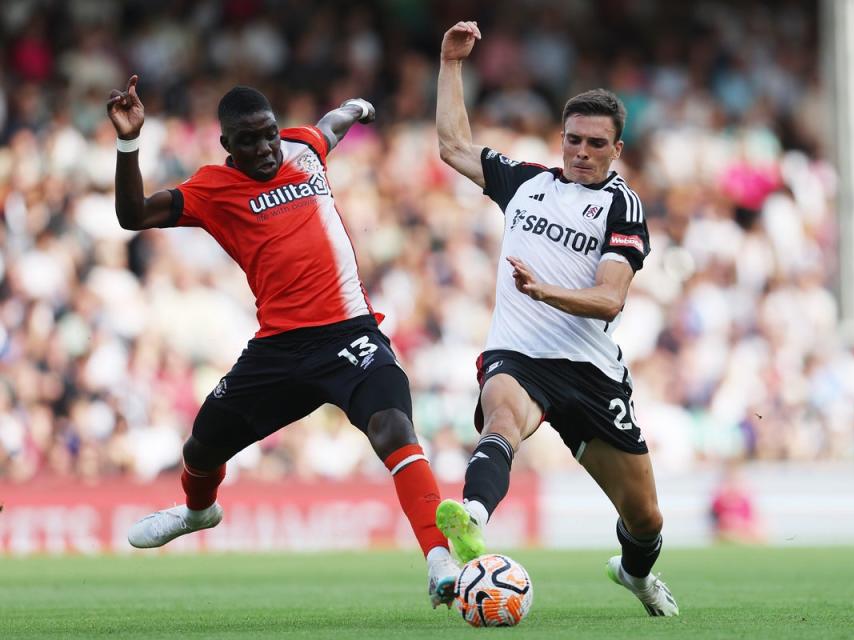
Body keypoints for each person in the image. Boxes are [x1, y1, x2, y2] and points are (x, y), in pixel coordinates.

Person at [107, 75, 459, 608]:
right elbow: (132, 216)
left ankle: (439, 561)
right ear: (227, 146)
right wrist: (129, 142)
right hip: (279, 348)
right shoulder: (212, 189)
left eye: (269, 134)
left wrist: (355, 105)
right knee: (201, 448)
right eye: (248, 140)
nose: (265, 147)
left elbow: (328, 129)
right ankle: (199, 512)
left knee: (393, 427)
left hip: (350, 334)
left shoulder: (301, 146)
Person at [433, 22, 679, 617]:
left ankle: (635, 573)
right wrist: (450, 64)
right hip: (518, 356)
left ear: (617, 149)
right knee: (502, 419)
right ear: (560, 138)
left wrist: (545, 291)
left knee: (644, 519)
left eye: (597, 144)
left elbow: (609, 299)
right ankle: (474, 517)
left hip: (590, 373)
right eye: (574, 140)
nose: (583, 152)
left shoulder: (623, 206)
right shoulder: (526, 184)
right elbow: (454, 147)